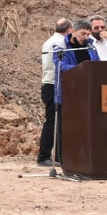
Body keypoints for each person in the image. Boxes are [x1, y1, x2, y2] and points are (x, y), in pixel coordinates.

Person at [52, 19, 98, 166]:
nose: (85, 37)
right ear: (73, 32)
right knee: (66, 129)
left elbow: (96, 65)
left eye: (88, 34)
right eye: (82, 33)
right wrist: (81, 69)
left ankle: (83, 158)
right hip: (68, 93)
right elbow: (60, 65)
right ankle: (65, 159)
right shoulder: (62, 46)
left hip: (87, 95)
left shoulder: (91, 46)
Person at [37, 18, 72, 166]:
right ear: (69, 29)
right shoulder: (60, 43)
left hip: (48, 83)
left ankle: (55, 156)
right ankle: (44, 156)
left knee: (55, 121)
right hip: (53, 84)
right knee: (53, 121)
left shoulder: (49, 41)